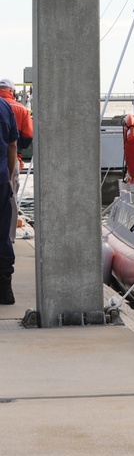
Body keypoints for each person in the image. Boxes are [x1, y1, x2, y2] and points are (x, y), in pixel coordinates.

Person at [0, 79, 31, 243]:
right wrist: (19, 151)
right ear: (12, 91)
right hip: (12, 158)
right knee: (10, 197)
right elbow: (28, 135)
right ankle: (9, 237)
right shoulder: (21, 108)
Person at [0, 98, 18, 305]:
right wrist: (9, 178)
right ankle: (5, 290)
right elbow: (12, 144)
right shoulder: (4, 107)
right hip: (0, 180)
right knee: (2, 233)